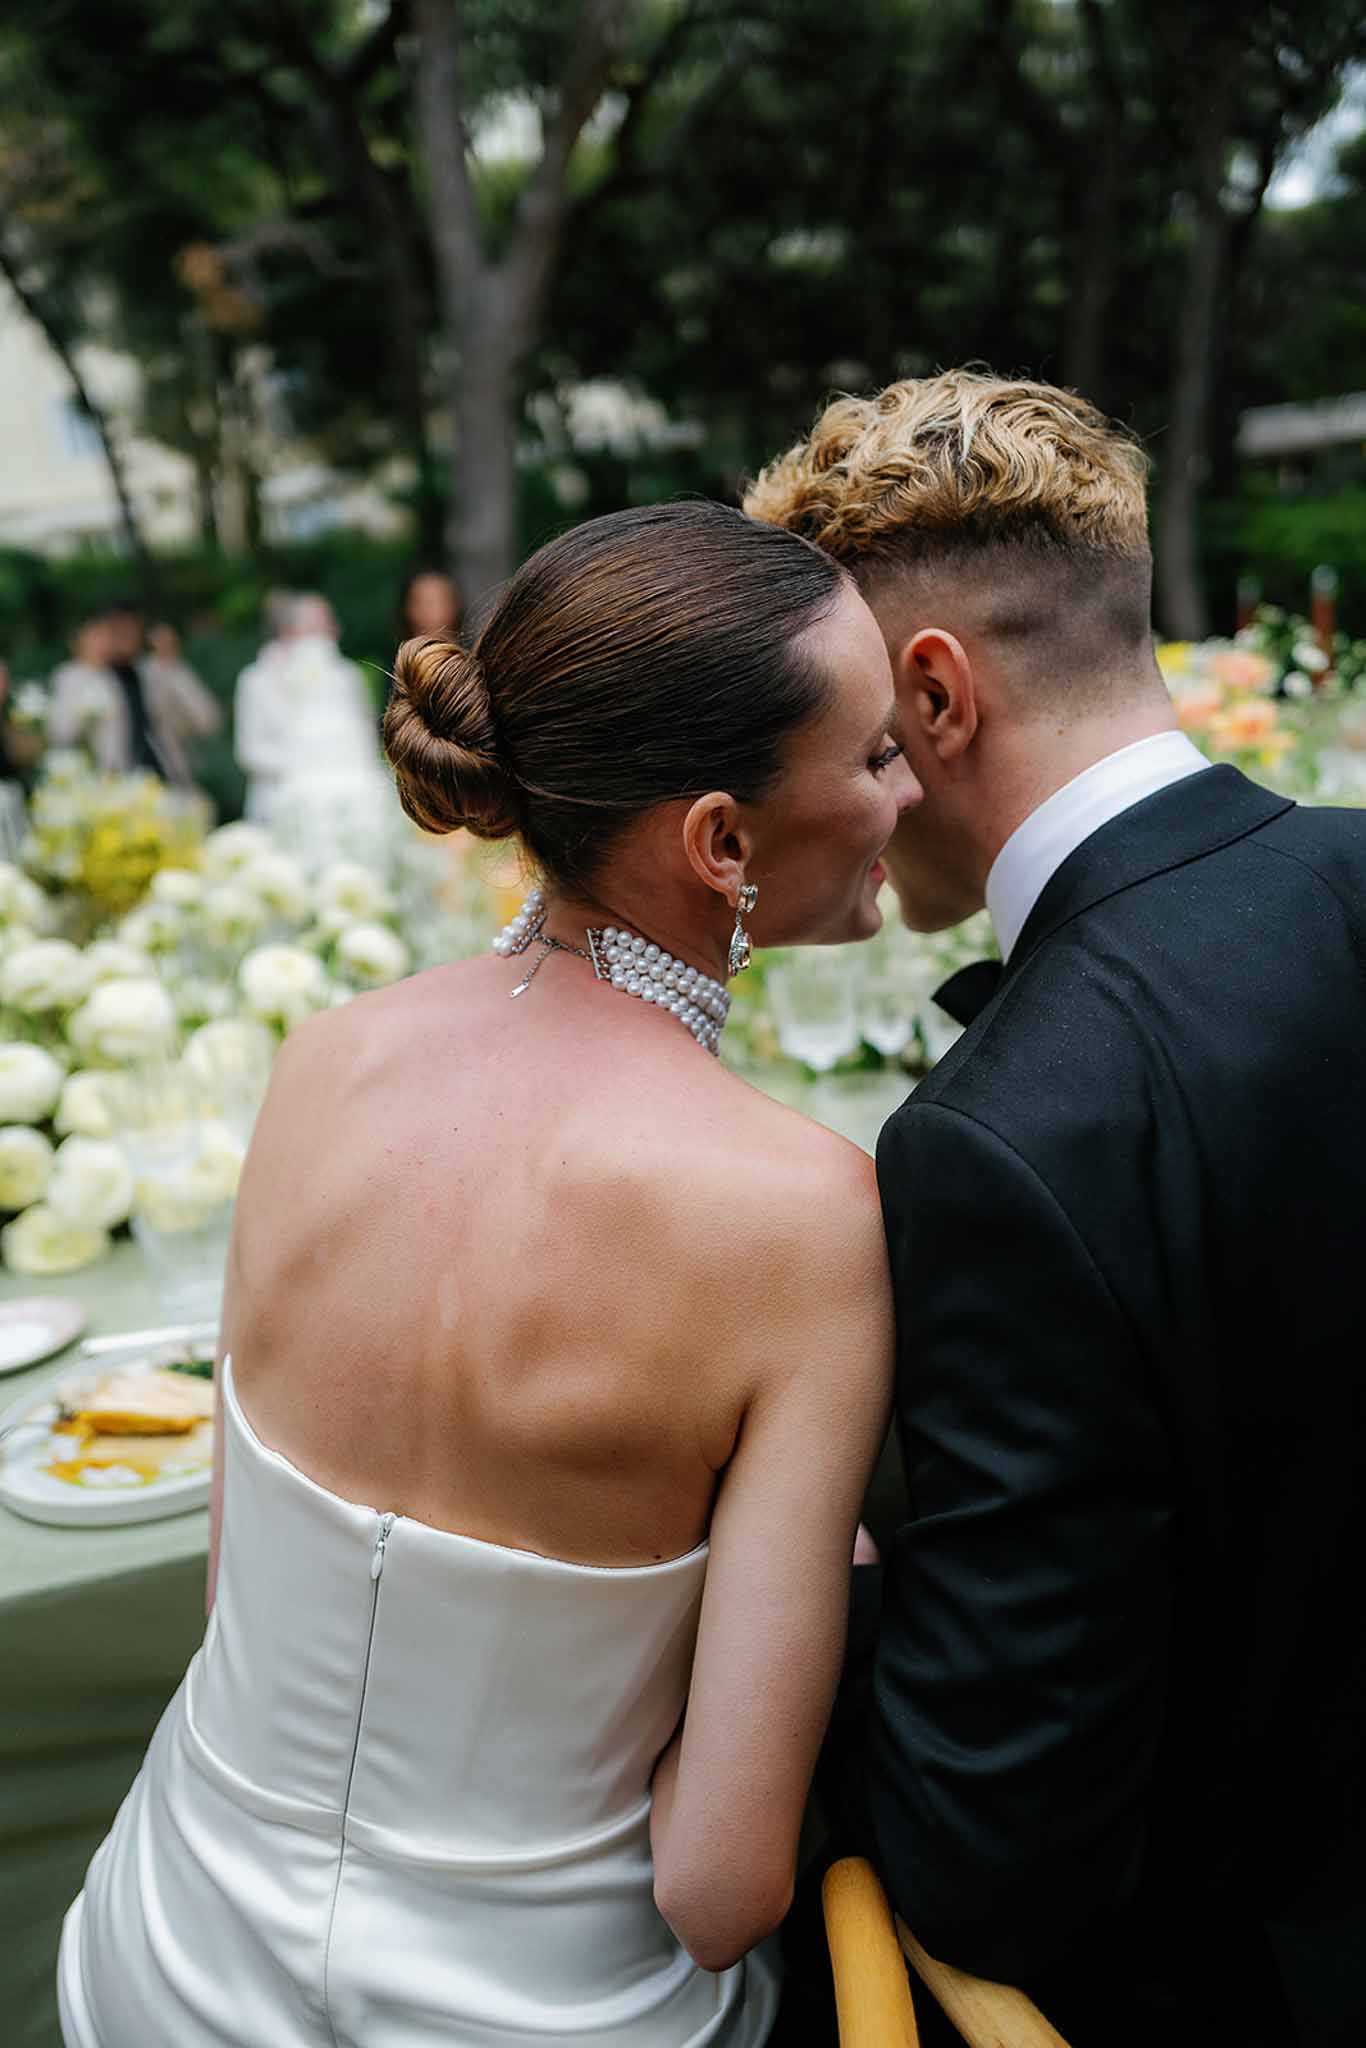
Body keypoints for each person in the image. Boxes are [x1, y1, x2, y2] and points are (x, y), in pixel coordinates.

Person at [59, 499, 916, 2048]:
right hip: (537, 2011)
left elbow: (238, 1601)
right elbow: (718, 1890)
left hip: (161, 1954)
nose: (911, 788)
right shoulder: (796, 1217)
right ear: (719, 842)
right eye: (871, 757)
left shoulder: (322, 1062)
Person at [744, 370, 1366, 2047]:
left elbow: (994, 1843)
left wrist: (823, 1580)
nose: (844, 784)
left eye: (848, 725)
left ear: (934, 696)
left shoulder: (1001, 1138)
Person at [234, 593, 383, 850]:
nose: (324, 635)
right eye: (313, 627)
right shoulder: (256, 680)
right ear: (288, 632)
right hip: (278, 804)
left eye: (326, 625)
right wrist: (311, 766)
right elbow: (250, 751)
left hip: (350, 805)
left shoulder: (349, 676)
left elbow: (363, 738)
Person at [47, 603, 219, 784]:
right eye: (116, 630)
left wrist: (173, 664)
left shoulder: (156, 672)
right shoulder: (77, 676)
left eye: (132, 628)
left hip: (169, 780)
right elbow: (61, 734)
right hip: (112, 786)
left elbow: (207, 721)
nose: (125, 637)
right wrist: (90, 669)